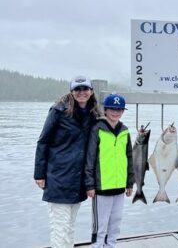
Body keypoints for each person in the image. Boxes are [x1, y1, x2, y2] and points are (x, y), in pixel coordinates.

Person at [34, 76, 101, 248]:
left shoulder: (93, 114)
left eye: (85, 89)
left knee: (70, 226)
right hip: (58, 177)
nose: (81, 93)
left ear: (91, 91)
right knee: (59, 227)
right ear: (71, 92)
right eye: (77, 89)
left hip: (77, 180)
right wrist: (39, 174)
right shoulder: (58, 110)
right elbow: (43, 141)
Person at [85, 93, 134, 248]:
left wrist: (129, 183)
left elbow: (129, 158)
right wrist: (90, 184)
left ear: (123, 111)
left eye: (119, 109)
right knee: (100, 226)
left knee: (116, 223)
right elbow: (90, 158)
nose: (116, 112)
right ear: (105, 110)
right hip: (101, 187)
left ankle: (111, 246)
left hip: (119, 186)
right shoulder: (97, 129)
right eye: (112, 109)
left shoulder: (125, 131)